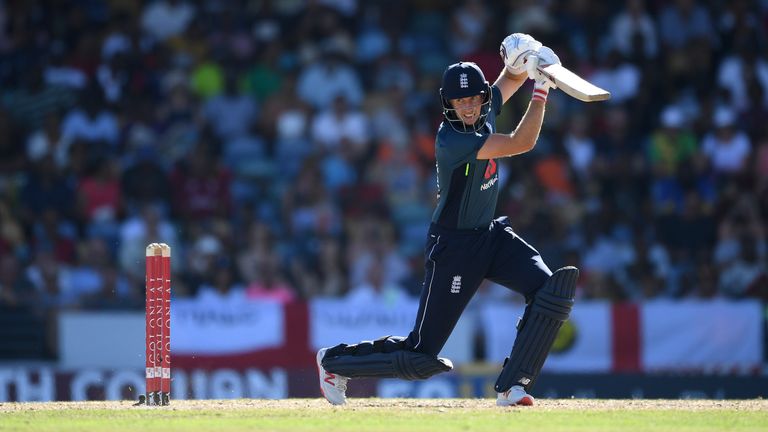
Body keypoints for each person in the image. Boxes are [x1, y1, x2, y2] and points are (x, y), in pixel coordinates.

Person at [316, 33, 578, 407]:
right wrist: (542, 91)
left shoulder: (483, 107)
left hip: (489, 235)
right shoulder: (451, 139)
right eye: (461, 101)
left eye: (474, 99)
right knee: (421, 354)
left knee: (549, 292)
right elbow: (521, 143)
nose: (470, 108)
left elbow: (509, 79)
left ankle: (513, 385)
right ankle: (334, 363)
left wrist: (526, 60)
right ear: (448, 104)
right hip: (454, 248)